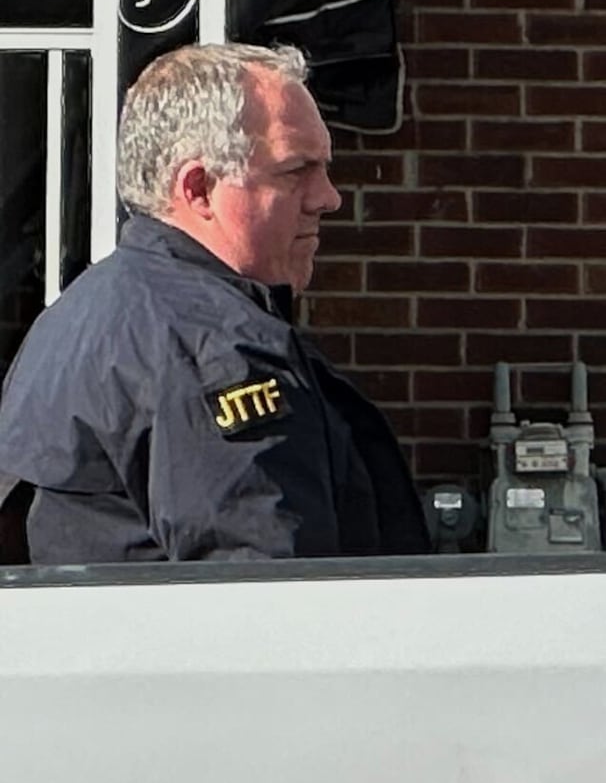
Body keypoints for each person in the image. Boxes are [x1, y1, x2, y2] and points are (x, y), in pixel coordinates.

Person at [0, 42, 424, 564]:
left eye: (324, 168)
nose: (328, 197)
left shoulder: (84, 311)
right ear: (198, 188)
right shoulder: (211, 346)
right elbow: (263, 593)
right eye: (296, 170)